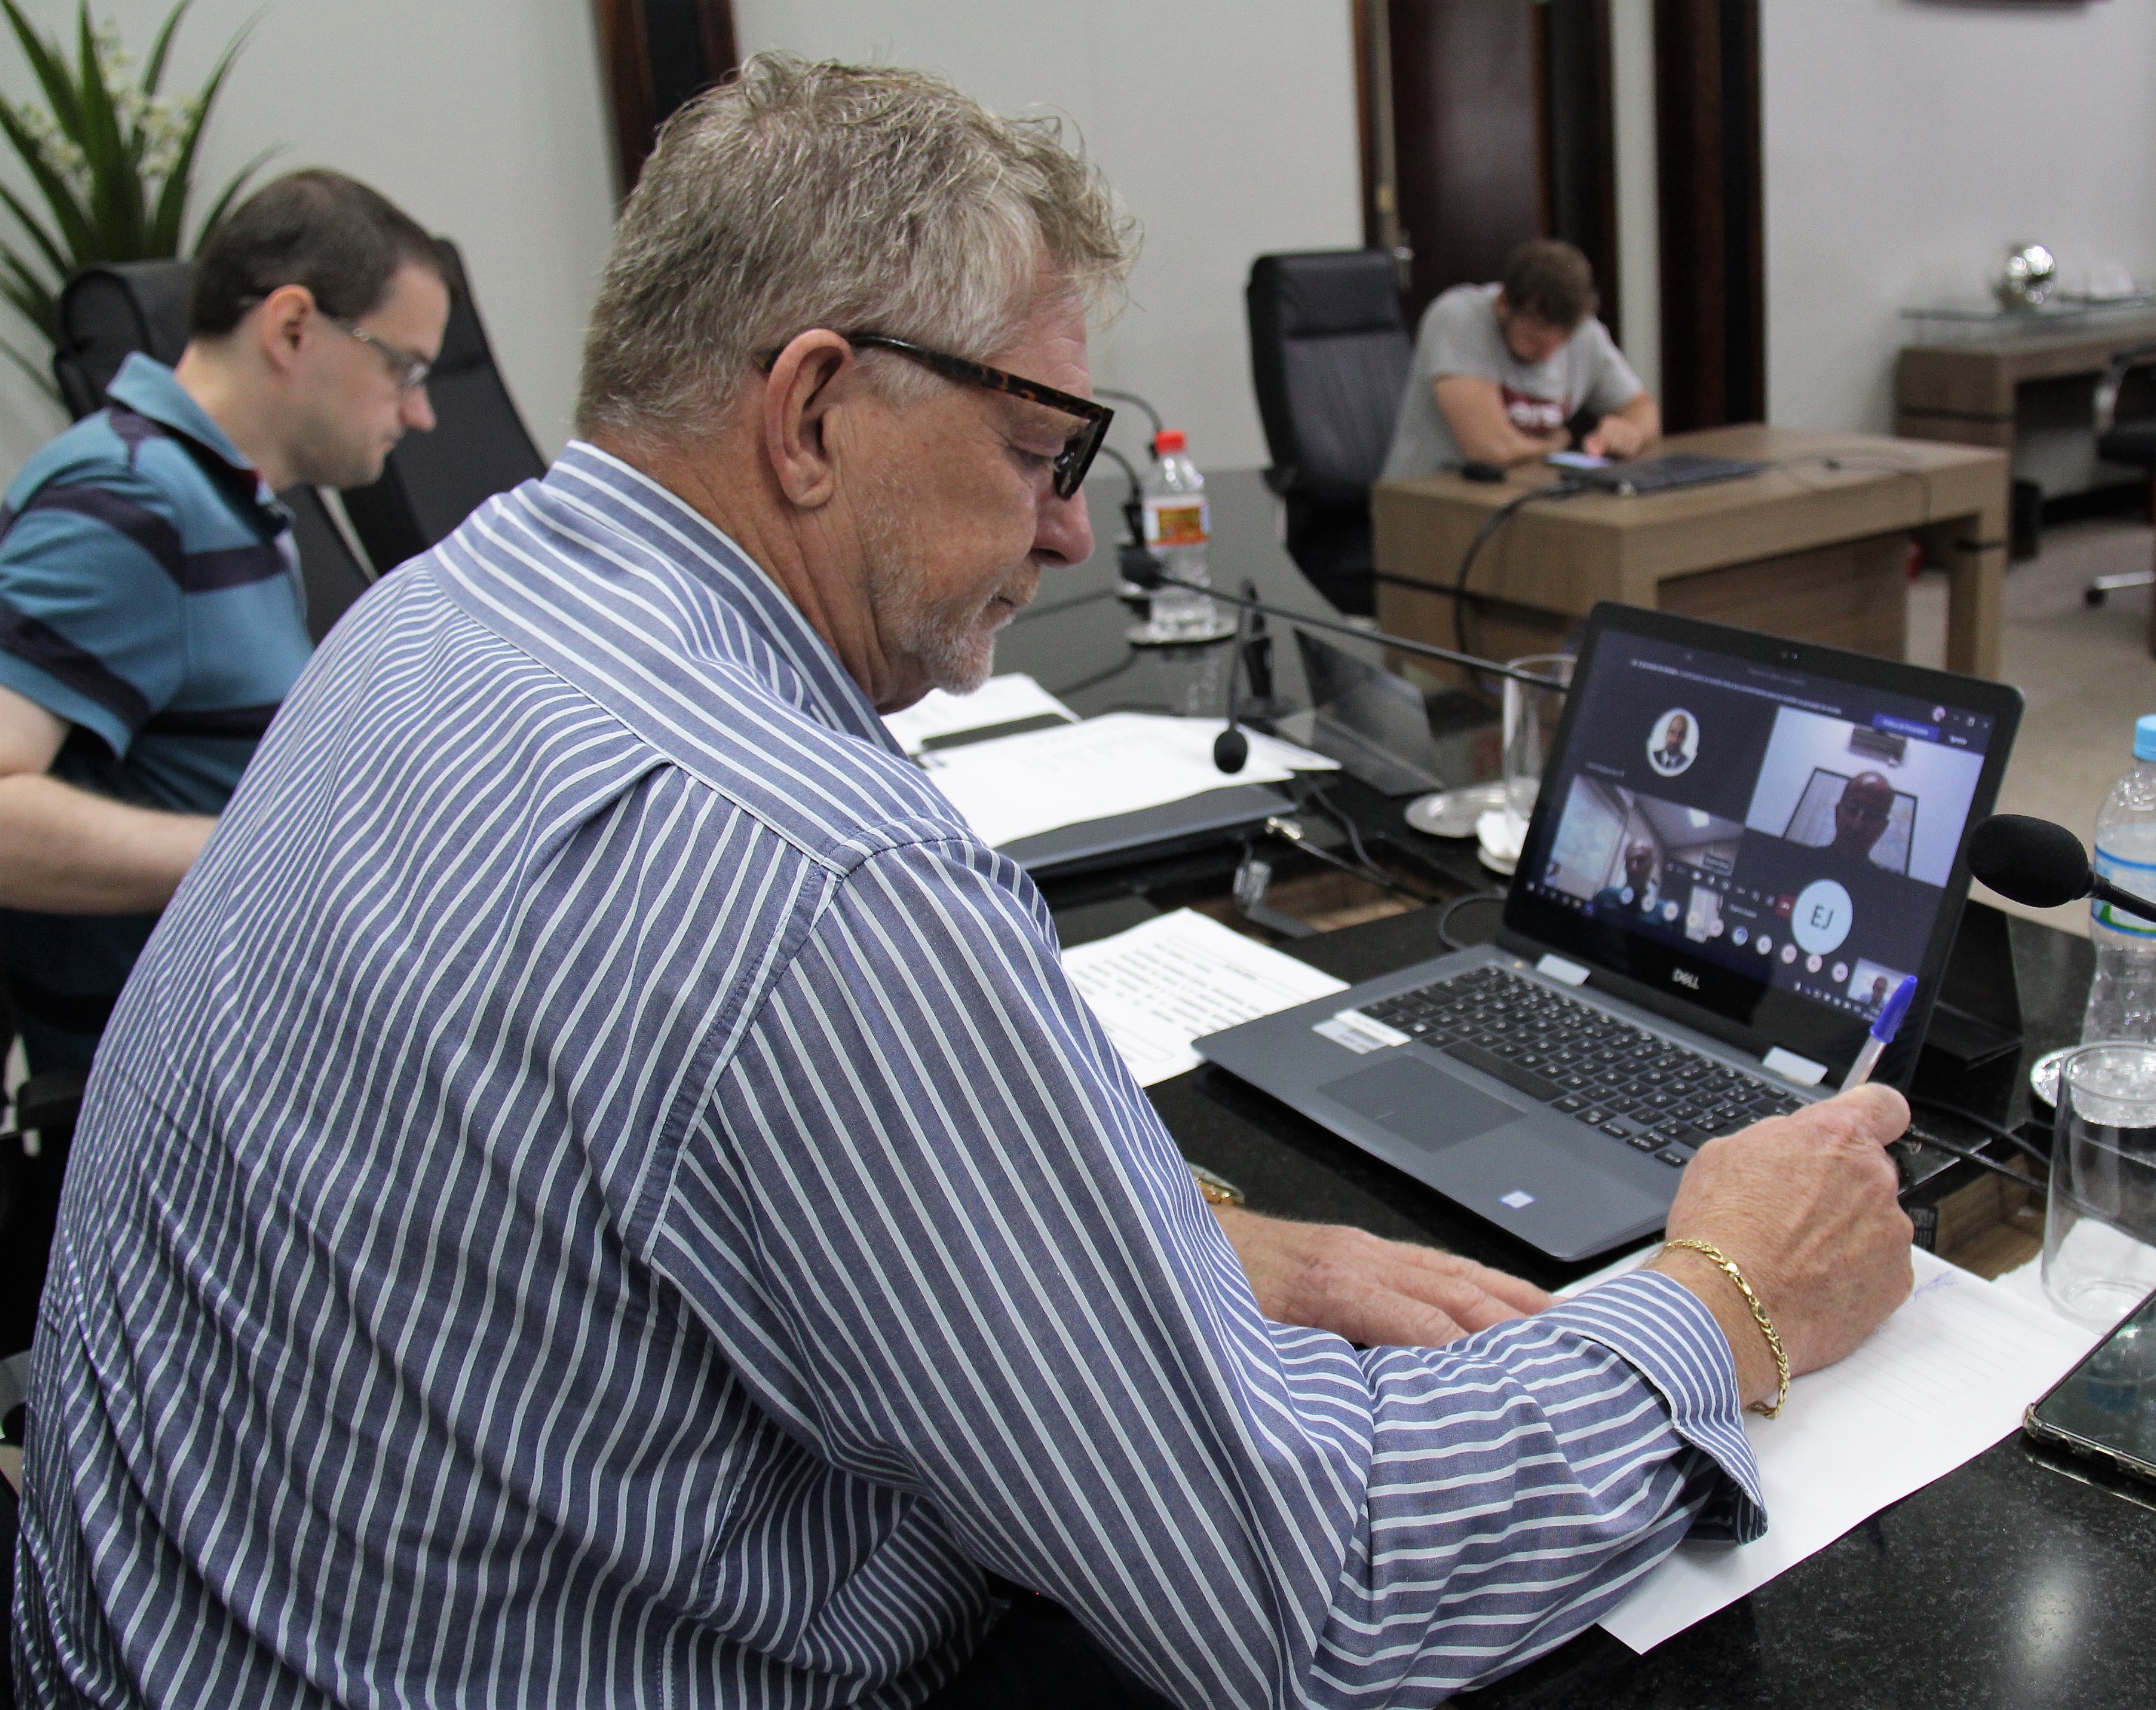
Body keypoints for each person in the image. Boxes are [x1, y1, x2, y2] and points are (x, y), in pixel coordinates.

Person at [13, 59, 1914, 1708]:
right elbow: (1314, 1596)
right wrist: (1726, 1295)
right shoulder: (818, 879)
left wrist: (1149, 1248)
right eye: (1036, 448)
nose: (1074, 528)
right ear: (813, 413)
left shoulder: (434, 614)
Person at [0, 168, 447, 1072]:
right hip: (179, 1082)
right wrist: (267, 851)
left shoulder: (223, 499)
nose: (420, 412)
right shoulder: (127, 502)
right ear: (292, 328)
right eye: (401, 367)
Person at [1379, 238, 1661, 480]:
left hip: (1526, 493)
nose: (1547, 356)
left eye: (1560, 344)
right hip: (1430, 499)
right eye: (1533, 342)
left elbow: (1643, 409)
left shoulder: (1585, 334)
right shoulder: (1459, 318)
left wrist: (1630, 432)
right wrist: (1555, 444)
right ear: (1504, 305)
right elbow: (1490, 450)